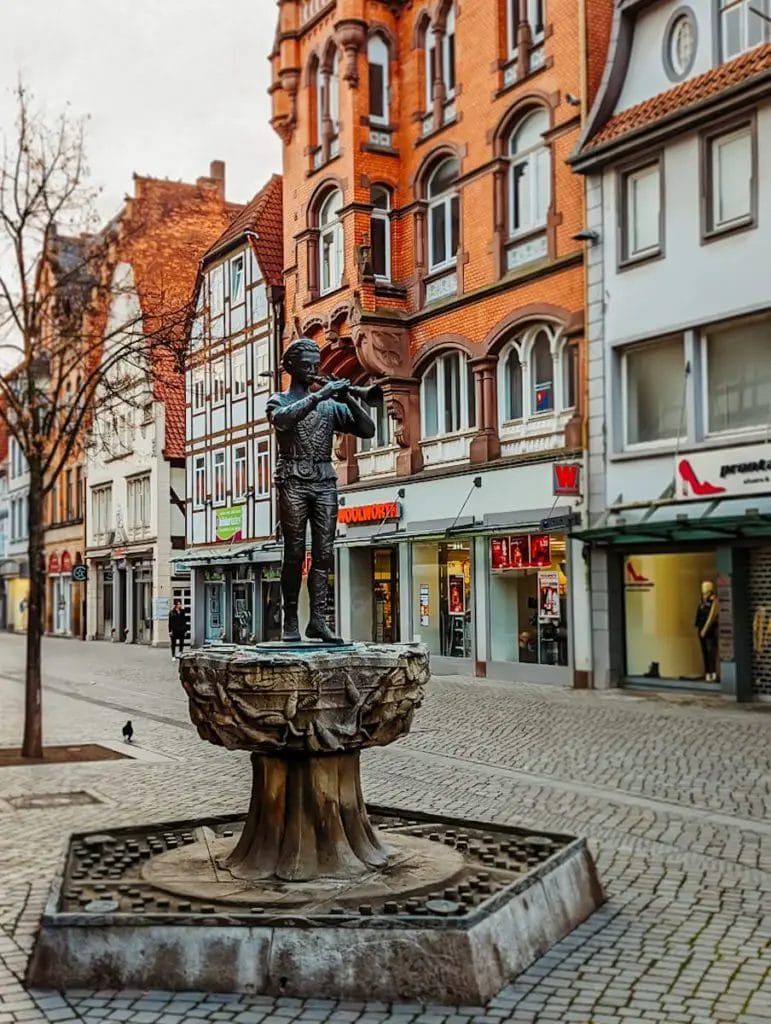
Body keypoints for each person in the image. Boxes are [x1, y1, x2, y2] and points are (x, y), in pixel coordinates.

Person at [267, 337, 375, 643]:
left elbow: (367, 429)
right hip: (292, 479)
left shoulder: (330, 405)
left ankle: (318, 620)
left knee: (325, 553)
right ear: (291, 367)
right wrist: (319, 396)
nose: (314, 370)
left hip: (324, 480)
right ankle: (290, 619)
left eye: (316, 365)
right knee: (295, 552)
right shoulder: (278, 400)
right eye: (307, 365)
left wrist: (349, 396)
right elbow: (283, 421)